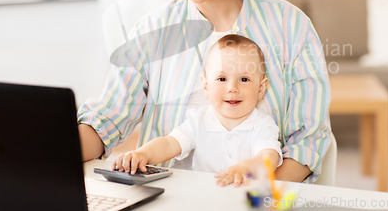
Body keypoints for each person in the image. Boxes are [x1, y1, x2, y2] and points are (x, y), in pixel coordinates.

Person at [77, 0, 331, 183]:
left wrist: (255, 201)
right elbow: (107, 119)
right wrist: (43, 148)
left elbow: (307, 144)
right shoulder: (152, 31)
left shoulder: (290, 26)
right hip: (165, 198)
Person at [113, 35, 282, 187]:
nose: (232, 88)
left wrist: (245, 167)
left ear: (261, 88)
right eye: (222, 79)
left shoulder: (263, 124)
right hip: (202, 197)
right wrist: (143, 154)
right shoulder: (199, 120)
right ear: (206, 86)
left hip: (244, 199)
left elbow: (267, 158)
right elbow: (170, 143)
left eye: (244, 79)